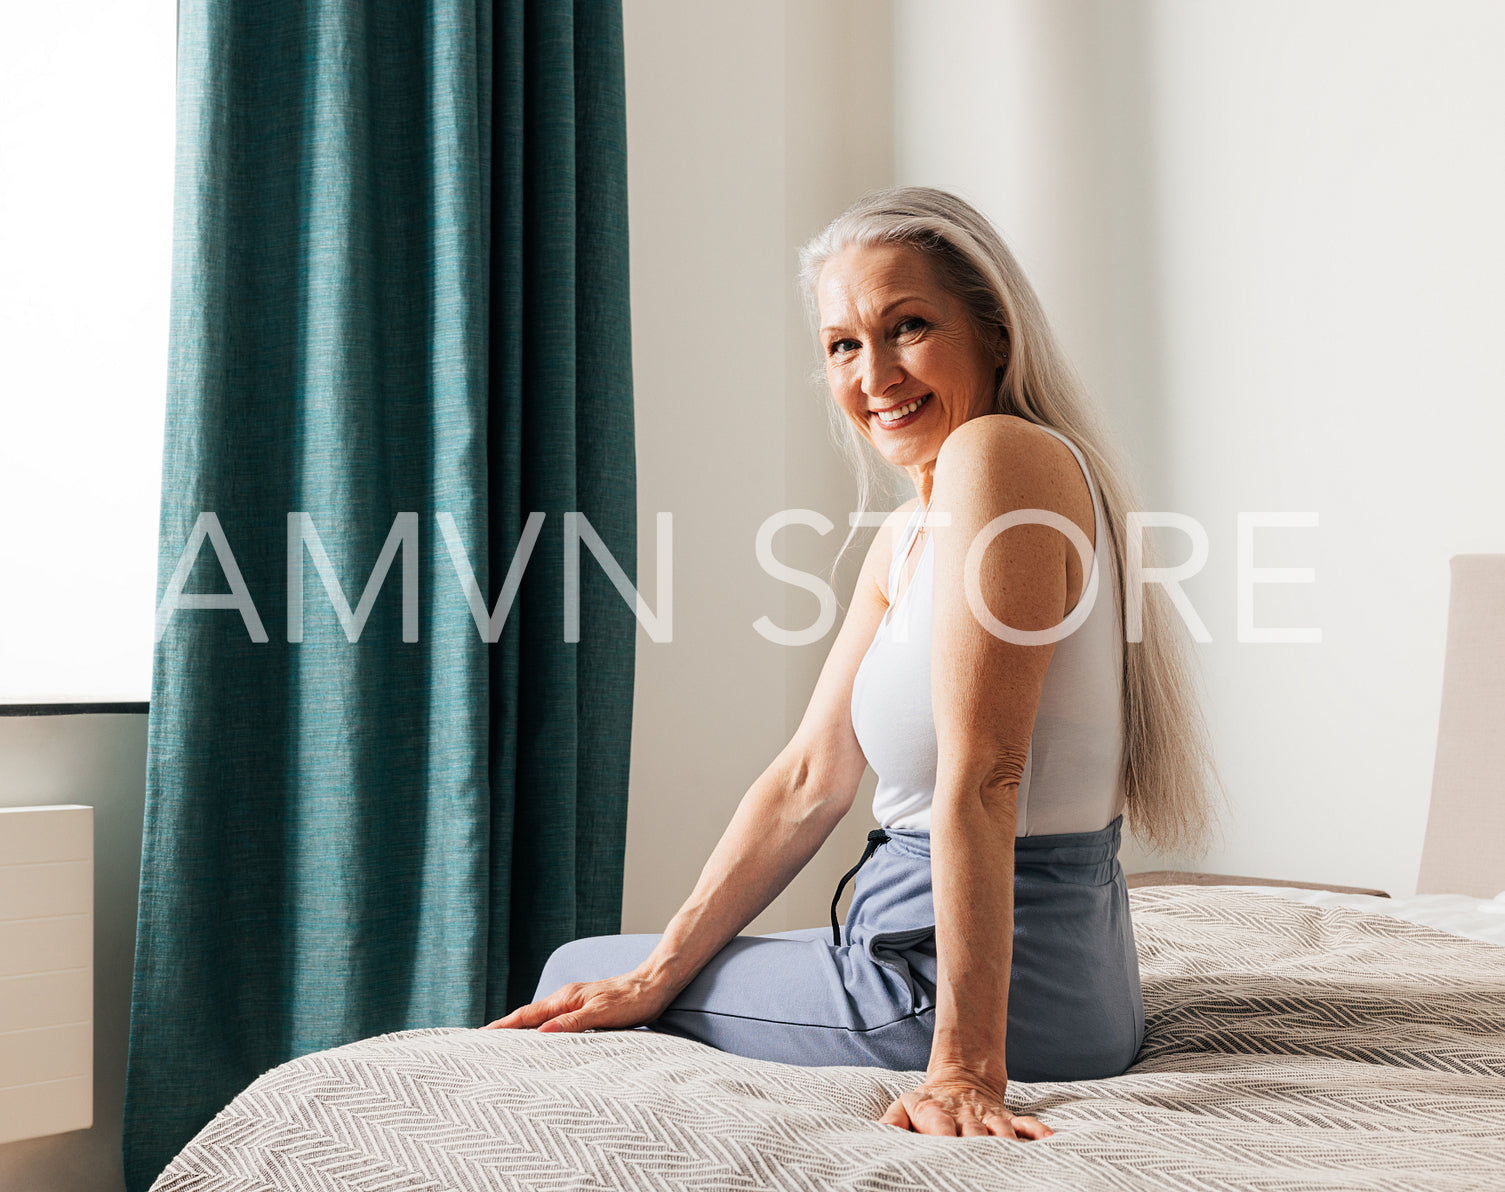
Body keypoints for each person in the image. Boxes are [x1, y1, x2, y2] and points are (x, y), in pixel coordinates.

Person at [483, 186, 1221, 1140]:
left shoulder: (999, 455)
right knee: (611, 971)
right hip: (980, 966)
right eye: (841, 343)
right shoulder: (911, 528)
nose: (873, 373)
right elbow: (807, 780)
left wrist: (963, 1067)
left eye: (907, 328)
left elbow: (987, 774)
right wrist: (656, 973)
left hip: (979, 991)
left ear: (994, 334)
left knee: (565, 971)